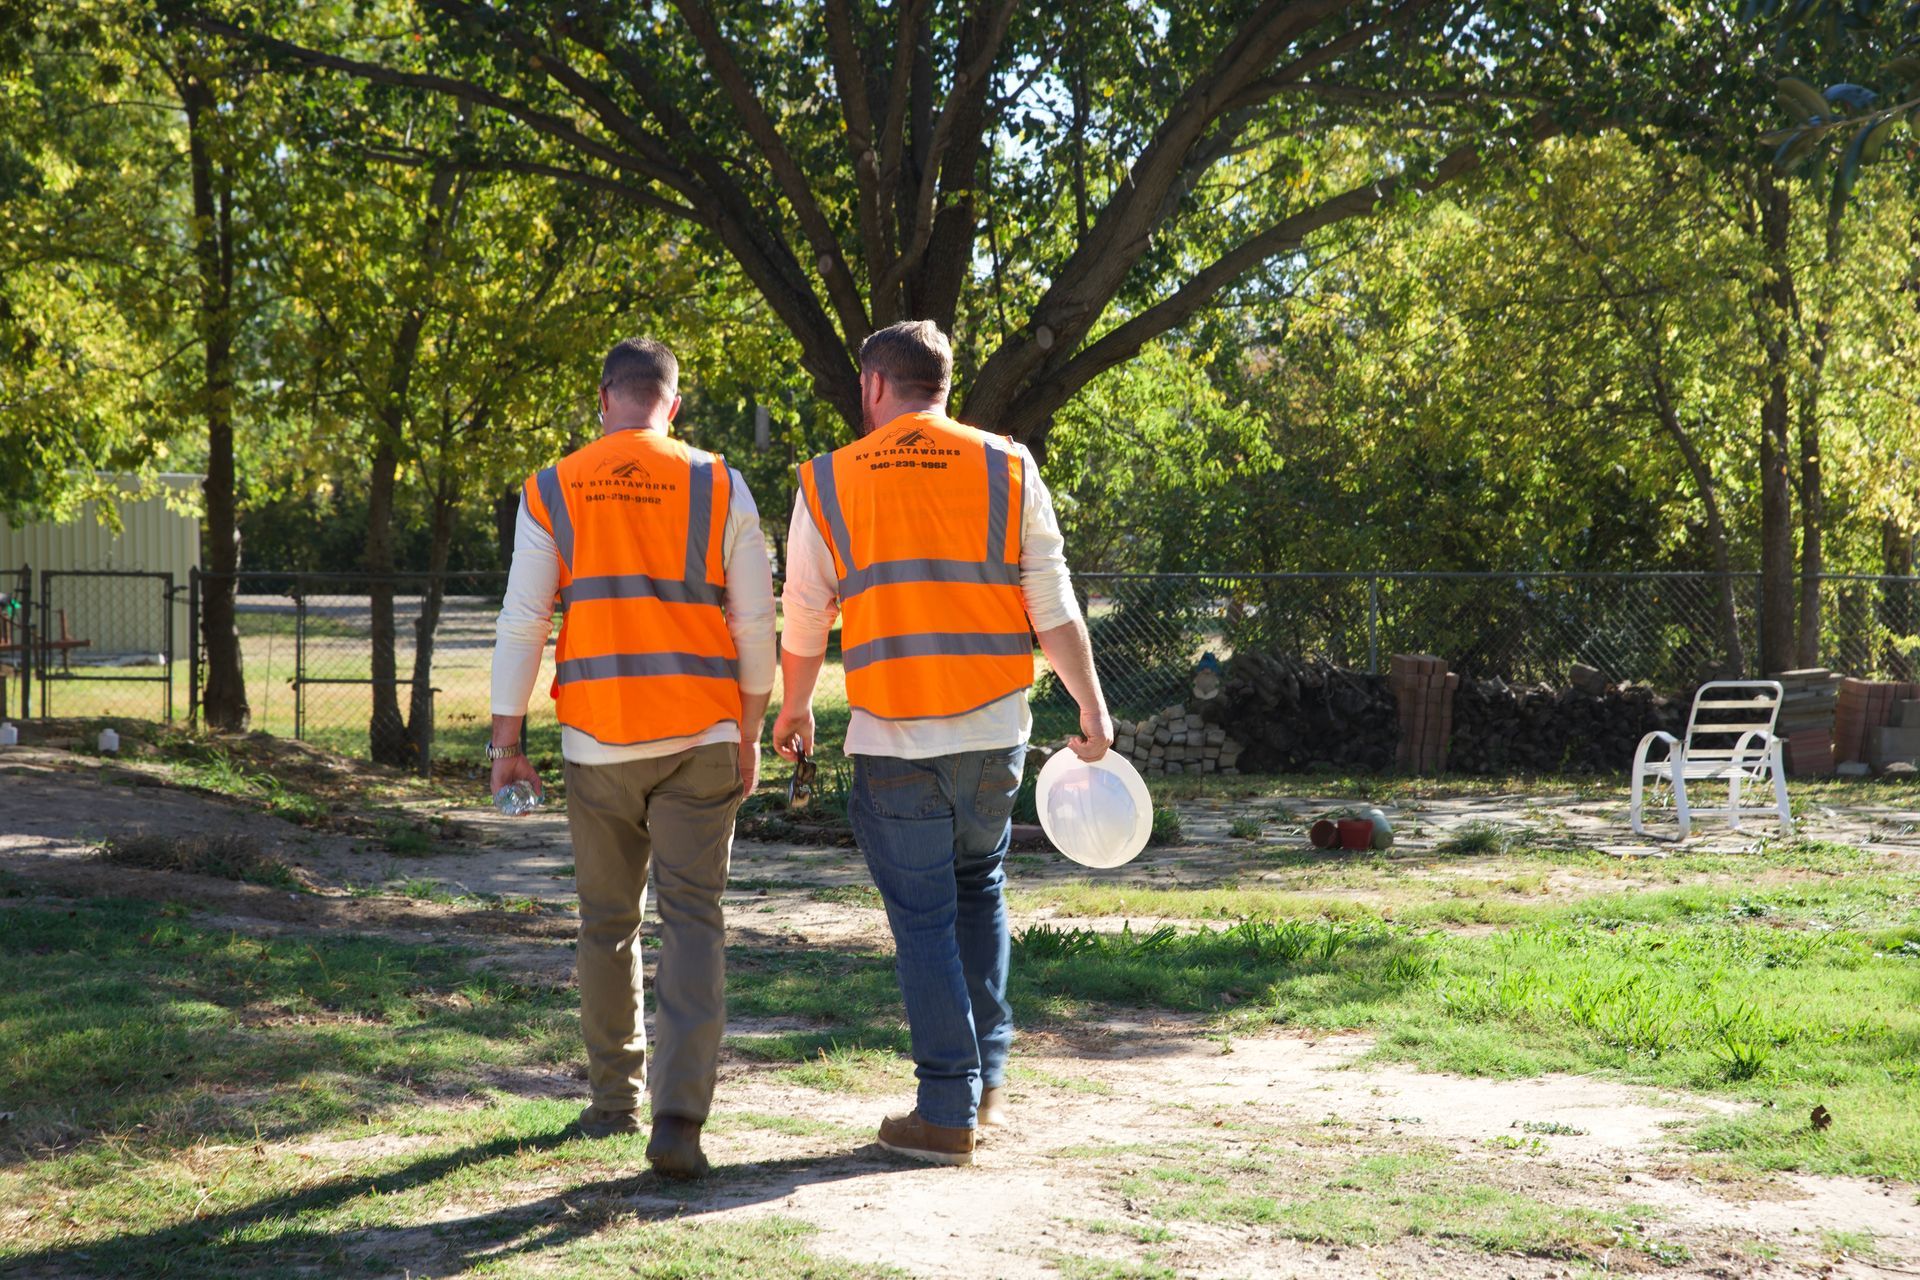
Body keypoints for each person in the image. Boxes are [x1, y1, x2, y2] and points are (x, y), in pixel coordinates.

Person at [773, 320, 1111, 1166]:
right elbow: (1053, 605)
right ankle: (988, 1086)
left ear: (872, 386)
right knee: (980, 887)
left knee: (923, 920)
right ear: (945, 385)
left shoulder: (829, 480)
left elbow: (808, 614)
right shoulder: (1008, 465)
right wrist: (1093, 710)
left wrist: (795, 709)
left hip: (893, 733)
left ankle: (945, 1109)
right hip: (995, 728)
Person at [488, 337, 776, 1179]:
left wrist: (508, 743)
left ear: (605, 396)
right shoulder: (720, 482)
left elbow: (522, 621)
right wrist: (751, 730)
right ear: (673, 403)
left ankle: (614, 1100)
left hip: (598, 741)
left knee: (607, 924)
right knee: (695, 923)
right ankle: (679, 1123)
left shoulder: (554, 487)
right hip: (701, 738)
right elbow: (754, 626)